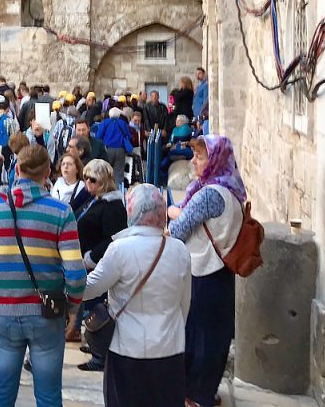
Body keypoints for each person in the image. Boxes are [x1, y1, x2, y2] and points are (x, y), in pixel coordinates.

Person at [0, 144, 86, 407]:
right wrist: (73, 309)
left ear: (16, 169)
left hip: (5, 314)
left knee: (3, 392)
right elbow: (76, 274)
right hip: (47, 315)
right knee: (49, 395)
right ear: (47, 174)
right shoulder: (61, 213)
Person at [83, 183, 192, 406]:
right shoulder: (179, 250)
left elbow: (89, 288)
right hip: (169, 349)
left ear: (131, 212)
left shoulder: (120, 249)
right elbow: (185, 304)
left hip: (127, 349)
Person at [168, 135, 248, 407]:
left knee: (199, 336)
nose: (193, 161)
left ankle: (196, 394)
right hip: (221, 270)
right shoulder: (232, 187)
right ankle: (204, 392)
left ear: (214, 160)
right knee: (215, 335)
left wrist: (174, 212)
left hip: (204, 271)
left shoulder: (209, 194)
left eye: (199, 157)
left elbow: (178, 231)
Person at [75, 158, 129, 371]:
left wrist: (90, 257)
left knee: (99, 309)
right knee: (92, 309)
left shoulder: (113, 206)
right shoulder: (95, 199)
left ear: (104, 181)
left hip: (98, 262)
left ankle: (100, 355)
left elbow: (113, 238)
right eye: (85, 177)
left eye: (93, 179)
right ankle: (95, 344)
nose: (87, 182)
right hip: (89, 260)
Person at [95, 108, 134, 188]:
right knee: (119, 173)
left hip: (107, 150)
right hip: (120, 150)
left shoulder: (105, 122)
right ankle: (119, 192)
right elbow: (129, 136)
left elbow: (98, 136)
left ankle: (106, 190)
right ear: (119, 115)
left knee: (106, 171)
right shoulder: (123, 123)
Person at [50, 153, 89, 217]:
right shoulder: (57, 184)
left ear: (77, 169)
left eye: (69, 164)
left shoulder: (82, 188)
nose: (65, 167)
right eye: (63, 164)